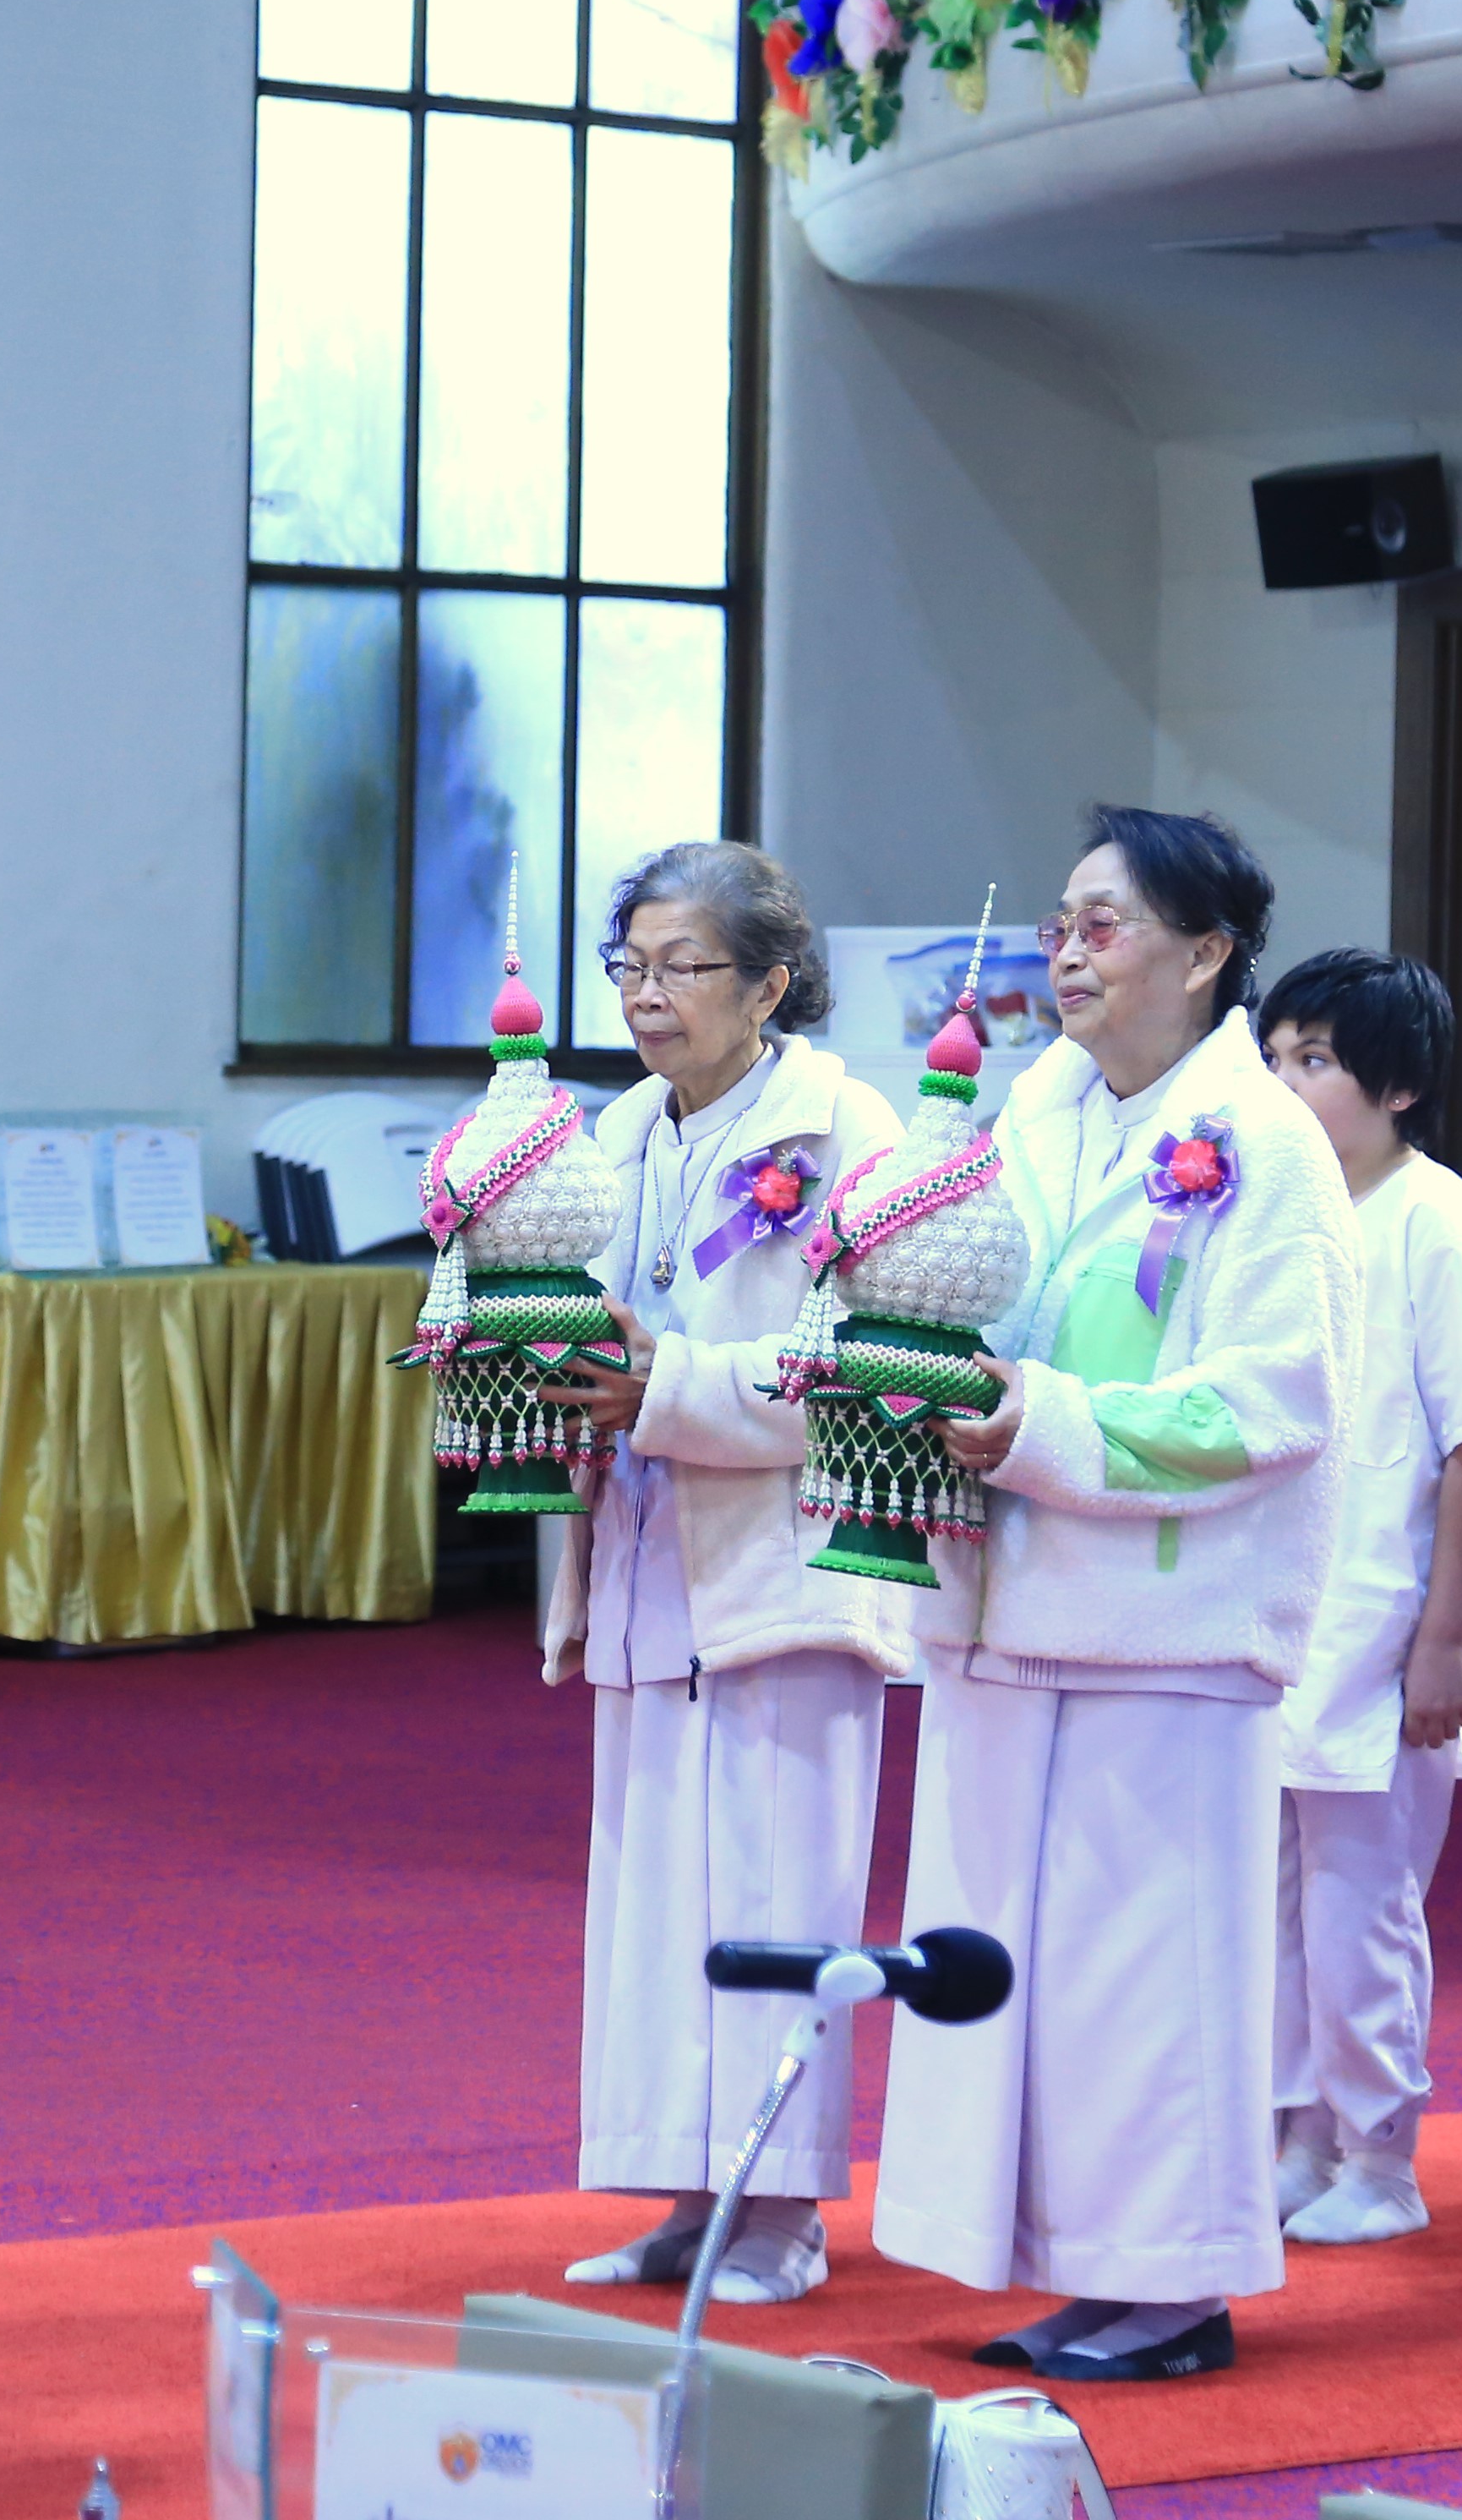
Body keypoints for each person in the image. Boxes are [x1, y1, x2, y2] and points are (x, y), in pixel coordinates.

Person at [874, 805, 1354, 2387]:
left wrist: (1039, 1426)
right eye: (1062, 922)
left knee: (1152, 1974)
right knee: (1027, 1974)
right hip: (1011, 1604)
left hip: (1166, 1625)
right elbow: (976, 1288)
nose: (1067, 952)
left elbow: (1276, 1403)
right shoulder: (1038, 1104)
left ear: (1207, 954)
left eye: (1106, 923)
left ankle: (1175, 2285)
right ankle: (1076, 2262)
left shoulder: (1268, 1140)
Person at [530, 842, 912, 2308]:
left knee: (774, 1890)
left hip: (785, 1565)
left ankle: (784, 2214)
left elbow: (873, 1361)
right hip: (642, 1546)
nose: (646, 993)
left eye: (683, 965)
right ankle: (690, 2196)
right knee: (655, 1900)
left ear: (771, 981)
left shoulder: (849, 1130)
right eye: (628, 964)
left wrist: (666, 1384)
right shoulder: (618, 1131)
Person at [1257, 949, 1462, 2247]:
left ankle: (1382, 2155)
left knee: (1365, 1899)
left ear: (1401, 1088)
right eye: (1275, 1056)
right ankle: (1296, 2130)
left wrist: (1444, 1642)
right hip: (1282, 1603)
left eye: (1315, 1061)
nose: (1285, 1082)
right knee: (1273, 1889)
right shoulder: (1277, 1212)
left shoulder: (1442, 1220)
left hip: (1394, 1615)